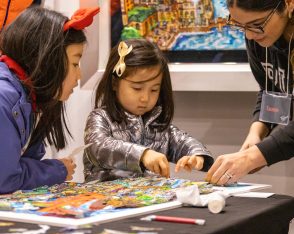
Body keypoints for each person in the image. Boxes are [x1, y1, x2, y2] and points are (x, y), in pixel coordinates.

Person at [83, 39, 214, 182]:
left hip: (147, 201)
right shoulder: (100, 118)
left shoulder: (158, 125)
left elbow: (182, 141)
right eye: (137, 88)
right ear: (115, 83)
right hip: (104, 200)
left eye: (154, 89)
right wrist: (143, 155)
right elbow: (98, 147)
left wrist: (196, 155)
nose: (145, 98)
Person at [0, 6, 99, 193]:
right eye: (75, 63)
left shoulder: (32, 101)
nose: (79, 75)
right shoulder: (4, 98)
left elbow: (25, 163)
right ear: (47, 59)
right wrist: (57, 170)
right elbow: (5, 179)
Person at [206, 0, 294, 185]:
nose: (249, 35)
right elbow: (270, 88)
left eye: (257, 25)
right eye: (240, 25)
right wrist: (256, 133)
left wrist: (252, 157)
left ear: (289, 4)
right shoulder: (259, 39)